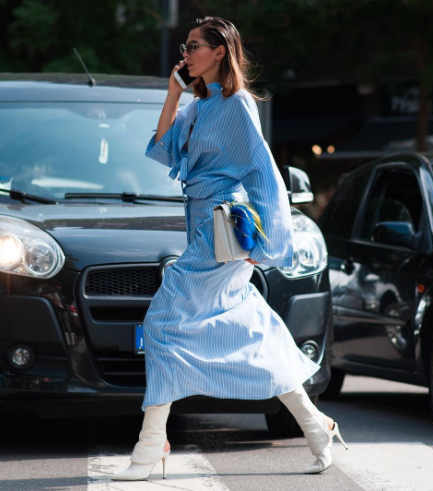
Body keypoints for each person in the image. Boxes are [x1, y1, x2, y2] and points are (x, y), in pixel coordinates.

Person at [111, 16, 348, 482]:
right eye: (186, 45)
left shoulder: (238, 104)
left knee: (161, 318)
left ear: (220, 51)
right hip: (200, 222)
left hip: (221, 228)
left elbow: (263, 173)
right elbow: (161, 149)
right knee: (249, 326)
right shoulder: (201, 105)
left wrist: (268, 241)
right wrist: (174, 92)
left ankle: (149, 446)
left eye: (195, 46)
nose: (187, 53)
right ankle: (317, 427)